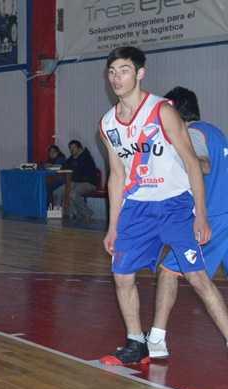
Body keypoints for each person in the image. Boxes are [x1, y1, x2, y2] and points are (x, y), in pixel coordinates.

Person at [99, 46, 228, 366]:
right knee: (122, 276)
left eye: (124, 70)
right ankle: (136, 341)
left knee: (197, 277)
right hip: (136, 208)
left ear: (140, 73)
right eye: (112, 72)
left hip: (174, 206)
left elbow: (193, 163)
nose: (117, 78)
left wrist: (200, 214)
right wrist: (112, 226)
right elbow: (117, 176)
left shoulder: (162, 111)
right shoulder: (108, 123)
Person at [148, 86, 228, 358]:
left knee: (170, 271)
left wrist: (174, 161)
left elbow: (203, 164)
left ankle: (156, 339)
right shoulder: (215, 131)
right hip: (224, 213)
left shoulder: (191, 133)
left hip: (214, 218)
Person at [52, 140, 98, 221]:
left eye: (73, 147)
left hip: (88, 183)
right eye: (70, 148)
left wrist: (71, 182)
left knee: (72, 194)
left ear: (80, 148)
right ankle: (58, 214)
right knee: (56, 192)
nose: (71, 150)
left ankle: (87, 213)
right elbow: (64, 167)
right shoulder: (72, 158)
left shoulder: (86, 157)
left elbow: (81, 172)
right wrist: (54, 166)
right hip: (74, 182)